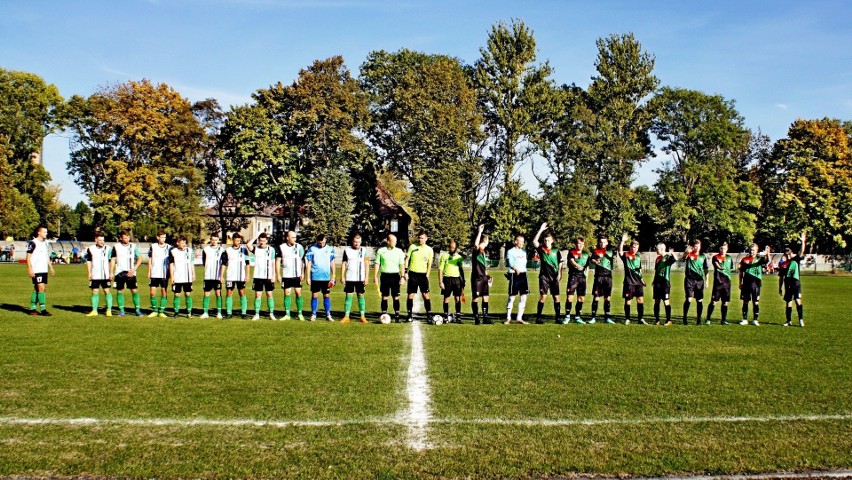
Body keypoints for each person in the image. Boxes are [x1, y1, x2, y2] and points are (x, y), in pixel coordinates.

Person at [532, 222, 563, 324]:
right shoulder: (541, 249)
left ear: (552, 241)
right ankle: (538, 318)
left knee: (556, 298)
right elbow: (534, 241)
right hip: (544, 277)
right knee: (543, 297)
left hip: (554, 278)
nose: (546, 241)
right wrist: (541, 229)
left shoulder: (556, 251)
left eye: (548, 240)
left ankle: (558, 318)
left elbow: (560, 263)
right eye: (545, 240)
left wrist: (560, 274)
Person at [111, 230, 143, 317]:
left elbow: (140, 258)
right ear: (121, 238)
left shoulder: (133, 246)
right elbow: (113, 260)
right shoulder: (116, 247)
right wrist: (111, 272)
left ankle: (137, 310)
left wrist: (134, 268)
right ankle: (121, 311)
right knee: (119, 291)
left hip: (131, 273)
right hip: (119, 273)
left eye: (128, 237)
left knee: (134, 290)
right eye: (125, 238)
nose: (127, 239)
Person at [374, 234, 406, 323]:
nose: (395, 243)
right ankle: (384, 315)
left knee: (396, 297)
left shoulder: (399, 251)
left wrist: (403, 276)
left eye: (396, 241)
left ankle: (397, 315)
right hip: (384, 276)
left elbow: (401, 264)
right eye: (394, 241)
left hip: (395, 276)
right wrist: (375, 276)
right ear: (388, 241)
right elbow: (377, 263)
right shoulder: (381, 251)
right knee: (384, 297)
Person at [305, 234, 336, 322]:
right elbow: (309, 263)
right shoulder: (312, 249)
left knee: (326, 295)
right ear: (316, 241)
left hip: (326, 278)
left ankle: (328, 314)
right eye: (319, 242)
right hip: (315, 277)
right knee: (314, 295)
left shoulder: (330, 249)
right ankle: (313, 314)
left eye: (322, 242)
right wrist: (308, 277)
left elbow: (332, 263)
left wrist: (333, 276)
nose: (321, 244)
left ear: (325, 240)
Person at [405, 230, 434, 322]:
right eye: (419, 237)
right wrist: (406, 272)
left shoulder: (429, 250)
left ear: (426, 238)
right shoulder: (412, 247)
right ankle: (409, 315)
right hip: (413, 273)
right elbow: (406, 259)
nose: (420, 239)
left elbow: (430, 263)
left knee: (425, 295)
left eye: (422, 238)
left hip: (423, 275)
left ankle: (429, 315)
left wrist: (427, 274)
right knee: (411, 295)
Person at [738, 243, 770, 326]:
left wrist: (767, 253)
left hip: (756, 283)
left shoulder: (759, 259)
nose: (752, 251)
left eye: (754, 250)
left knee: (755, 302)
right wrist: (740, 282)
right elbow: (741, 272)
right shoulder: (744, 259)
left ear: (757, 251)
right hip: (746, 283)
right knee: (745, 301)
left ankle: (755, 320)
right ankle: (744, 319)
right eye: (751, 250)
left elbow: (767, 260)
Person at [26, 226, 55, 316]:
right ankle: (43, 310)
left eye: (46, 232)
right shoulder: (33, 242)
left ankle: (32, 308)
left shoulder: (45, 243)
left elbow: (46, 256)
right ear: (39, 232)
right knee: (41, 288)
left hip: (43, 269)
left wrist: (51, 267)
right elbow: (28, 257)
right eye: (44, 232)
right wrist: (30, 269)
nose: (46, 233)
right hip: (36, 269)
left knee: (38, 289)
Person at [248, 232, 278, 321]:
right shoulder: (256, 249)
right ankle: (257, 314)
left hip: (268, 276)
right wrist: (255, 236)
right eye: (260, 240)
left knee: (269, 294)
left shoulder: (271, 250)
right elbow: (248, 245)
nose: (262, 242)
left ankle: (271, 314)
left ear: (266, 241)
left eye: (263, 241)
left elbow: (273, 263)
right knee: (258, 295)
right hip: (258, 276)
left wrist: (274, 275)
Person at [779, 231, 807, 327]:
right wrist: (780, 287)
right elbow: (781, 277)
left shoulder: (796, 259)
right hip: (787, 284)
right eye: (786, 254)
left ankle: (800, 319)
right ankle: (788, 321)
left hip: (796, 283)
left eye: (789, 253)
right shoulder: (783, 264)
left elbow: (801, 251)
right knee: (788, 303)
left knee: (798, 300)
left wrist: (803, 242)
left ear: (791, 253)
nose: (788, 255)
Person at [341, 233, 369, 324]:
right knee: (348, 296)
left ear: (361, 242)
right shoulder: (347, 250)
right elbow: (344, 263)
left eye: (358, 242)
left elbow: (367, 264)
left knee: (361, 295)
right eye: (355, 242)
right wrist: (342, 276)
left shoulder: (364, 251)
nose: (357, 244)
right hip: (349, 277)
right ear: (352, 241)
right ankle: (346, 316)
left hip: (360, 278)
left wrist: (367, 277)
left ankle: (362, 316)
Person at [618, 233, 646, 325]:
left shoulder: (638, 257)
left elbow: (639, 269)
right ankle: (627, 318)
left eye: (637, 247)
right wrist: (622, 241)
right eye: (634, 247)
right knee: (628, 301)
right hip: (629, 282)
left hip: (638, 282)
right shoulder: (626, 255)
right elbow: (620, 252)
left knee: (640, 300)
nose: (635, 249)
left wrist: (642, 279)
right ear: (630, 247)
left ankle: (640, 319)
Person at [681, 239, 710, 325]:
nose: (697, 248)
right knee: (689, 299)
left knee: (699, 300)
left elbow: (706, 269)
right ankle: (685, 317)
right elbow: (683, 258)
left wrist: (707, 280)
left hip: (699, 281)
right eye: (696, 246)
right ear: (693, 247)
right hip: (689, 279)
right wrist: (687, 251)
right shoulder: (689, 254)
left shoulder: (703, 256)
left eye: (698, 246)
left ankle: (698, 319)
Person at [278, 230, 306, 321]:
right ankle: (287, 314)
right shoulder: (282, 247)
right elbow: (277, 261)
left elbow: (302, 261)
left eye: (295, 237)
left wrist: (302, 273)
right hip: (286, 275)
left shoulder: (299, 247)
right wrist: (278, 274)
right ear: (287, 238)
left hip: (297, 274)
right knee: (287, 293)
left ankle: (300, 313)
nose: (295, 239)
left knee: (298, 293)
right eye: (293, 237)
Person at [221, 234, 250, 319]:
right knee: (229, 293)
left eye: (239, 240)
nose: (238, 242)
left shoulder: (244, 250)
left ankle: (244, 313)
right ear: (233, 240)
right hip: (230, 276)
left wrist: (247, 275)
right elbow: (224, 264)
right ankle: (229, 313)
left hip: (241, 276)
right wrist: (221, 276)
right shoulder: (227, 250)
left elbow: (247, 263)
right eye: (237, 240)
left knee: (242, 293)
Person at [85, 232, 114, 316]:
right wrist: (89, 272)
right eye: (100, 240)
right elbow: (88, 261)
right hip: (95, 274)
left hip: (106, 275)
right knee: (95, 291)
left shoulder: (108, 249)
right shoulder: (90, 249)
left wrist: (111, 272)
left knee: (106, 291)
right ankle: (94, 310)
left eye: (103, 240)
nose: (102, 242)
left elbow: (111, 261)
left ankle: (109, 310)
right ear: (96, 240)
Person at [589, 235, 616, 324]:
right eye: (601, 242)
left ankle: (607, 317)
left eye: (604, 242)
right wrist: (595, 261)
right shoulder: (596, 251)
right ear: (598, 243)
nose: (602, 244)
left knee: (607, 298)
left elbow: (619, 251)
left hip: (608, 277)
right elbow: (592, 259)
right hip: (599, 277)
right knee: (596, 297)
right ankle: (593, 317)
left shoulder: (611, 251)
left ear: (607, 242)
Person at [706, 242, 735, 325]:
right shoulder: (715, 257)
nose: (723, 250)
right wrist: (722, 267)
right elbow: (717, 265)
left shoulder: (729, 258)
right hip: (718, 283)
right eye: (721, 248)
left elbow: (731, 267)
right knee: (713, 301)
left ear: (727, 249)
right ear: (719, 248)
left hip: (727, 283)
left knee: (725, 302)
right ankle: (708, 319)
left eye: (725, 248)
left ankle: (723, 320)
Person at [438, 239, 465, 324]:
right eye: (450, 247)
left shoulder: (459, 258)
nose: (452, 249)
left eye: (453, 247)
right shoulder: (444, 256)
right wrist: (440, 281)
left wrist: (463, 280)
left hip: (457, 279)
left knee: (457, 298)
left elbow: (461, 270)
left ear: (456, 248)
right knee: (446, 298)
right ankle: (446, 316)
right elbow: (440, 269)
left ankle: (458, 317)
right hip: (447, 279)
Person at [565, 236, 590, 324]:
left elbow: (587, 268)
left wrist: (586, 278)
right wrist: (577, 265)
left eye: (582, 244)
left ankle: (577, 317)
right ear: (576, 244)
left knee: (581, 298)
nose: (580, 246)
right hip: (573, 277)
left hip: (582, 278)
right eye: (578, 243)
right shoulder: (571, 252)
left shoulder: (586, 254)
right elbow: (571, 260)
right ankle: (567, 316)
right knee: (569, 298)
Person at [168, 236, 195, 318]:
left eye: (185, 242)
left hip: (187, 277)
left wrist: (193, 274)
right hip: (177, 277)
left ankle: (189, 312)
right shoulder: (173, 251)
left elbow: (191, 263)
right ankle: (176, 312)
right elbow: (171, 264)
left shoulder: (189, 251)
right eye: (182, 243)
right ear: (177, 243)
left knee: (188, 294)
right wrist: (172, 276)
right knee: (176, 294)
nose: (184, 244)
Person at [504, 234, 529, 324]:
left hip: (523, 275)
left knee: (523, 297)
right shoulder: (510, 251)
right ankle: (508, 318)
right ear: (515, 242)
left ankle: (519, 318)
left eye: (523, 241)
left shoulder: (524, 252)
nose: (522, 243)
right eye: (520, 241)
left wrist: (521, 270)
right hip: (514, 275)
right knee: (512, 297)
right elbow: (510, 262)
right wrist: (515, 268)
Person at [147, 230, 171, 318]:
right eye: (162, 237)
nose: (163, 239)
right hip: (154, 273)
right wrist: (149, 271)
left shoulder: (169, 247)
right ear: (158, 237)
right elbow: (150, 259)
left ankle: (161, 311)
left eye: (165, 237)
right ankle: (155, 310)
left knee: (163, 292)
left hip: (164, 273)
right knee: (152, 292)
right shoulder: (153, 246)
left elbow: (171, 262)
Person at [470, 224, 491, 325]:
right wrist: (479, 232)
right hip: (477, 278)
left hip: (483, 278)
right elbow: (475, 245)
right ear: (485, 241)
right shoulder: (477, 250)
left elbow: (484, 267)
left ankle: (485, 318)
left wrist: (488, 276)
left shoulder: (483, 253)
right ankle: (476, 318)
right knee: (475, 298)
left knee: (486, 297)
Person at [200, 235, 225, 319]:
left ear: (218, 240)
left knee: (218, 293)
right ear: (210, 240)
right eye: (212, 240)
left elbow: (224, 263)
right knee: (206, 294)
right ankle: (205, 312)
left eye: (216, 240)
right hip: (208, 276)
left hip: (217, 276)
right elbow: (204, 262)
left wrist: (221, 276)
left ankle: (219, 313)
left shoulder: (222, 250)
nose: (214, 241)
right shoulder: (206, 250)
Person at [651, 242, 676, 325]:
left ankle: (669, 320)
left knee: (666, 301)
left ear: (662, 249)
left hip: (665, 282)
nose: (655, 250)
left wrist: (672, 253)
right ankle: (657, 320)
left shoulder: (668, 257)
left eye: (657, 249)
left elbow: (675, 259)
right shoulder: (658, 259)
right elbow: (656, 271)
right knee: (656, 301)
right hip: (657, 282)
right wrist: (654, 281)